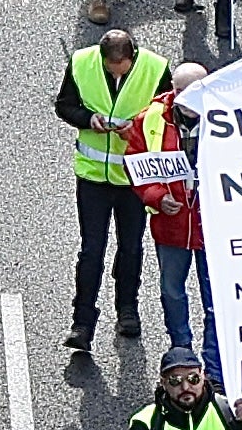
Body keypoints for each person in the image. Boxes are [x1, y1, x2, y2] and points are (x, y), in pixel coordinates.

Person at [60, 19, 171, 359]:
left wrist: (135, 129)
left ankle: (128, 310)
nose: (117, 76)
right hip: (93, 176)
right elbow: (64, 105)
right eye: (112, 70)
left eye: (122, 70)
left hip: (134, 177)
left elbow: (166, 114)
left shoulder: (155, 68)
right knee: (91, 250)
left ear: (133, 57)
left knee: (131, 248)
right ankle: (82, 322)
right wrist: (89, 119)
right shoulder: (81, 63)